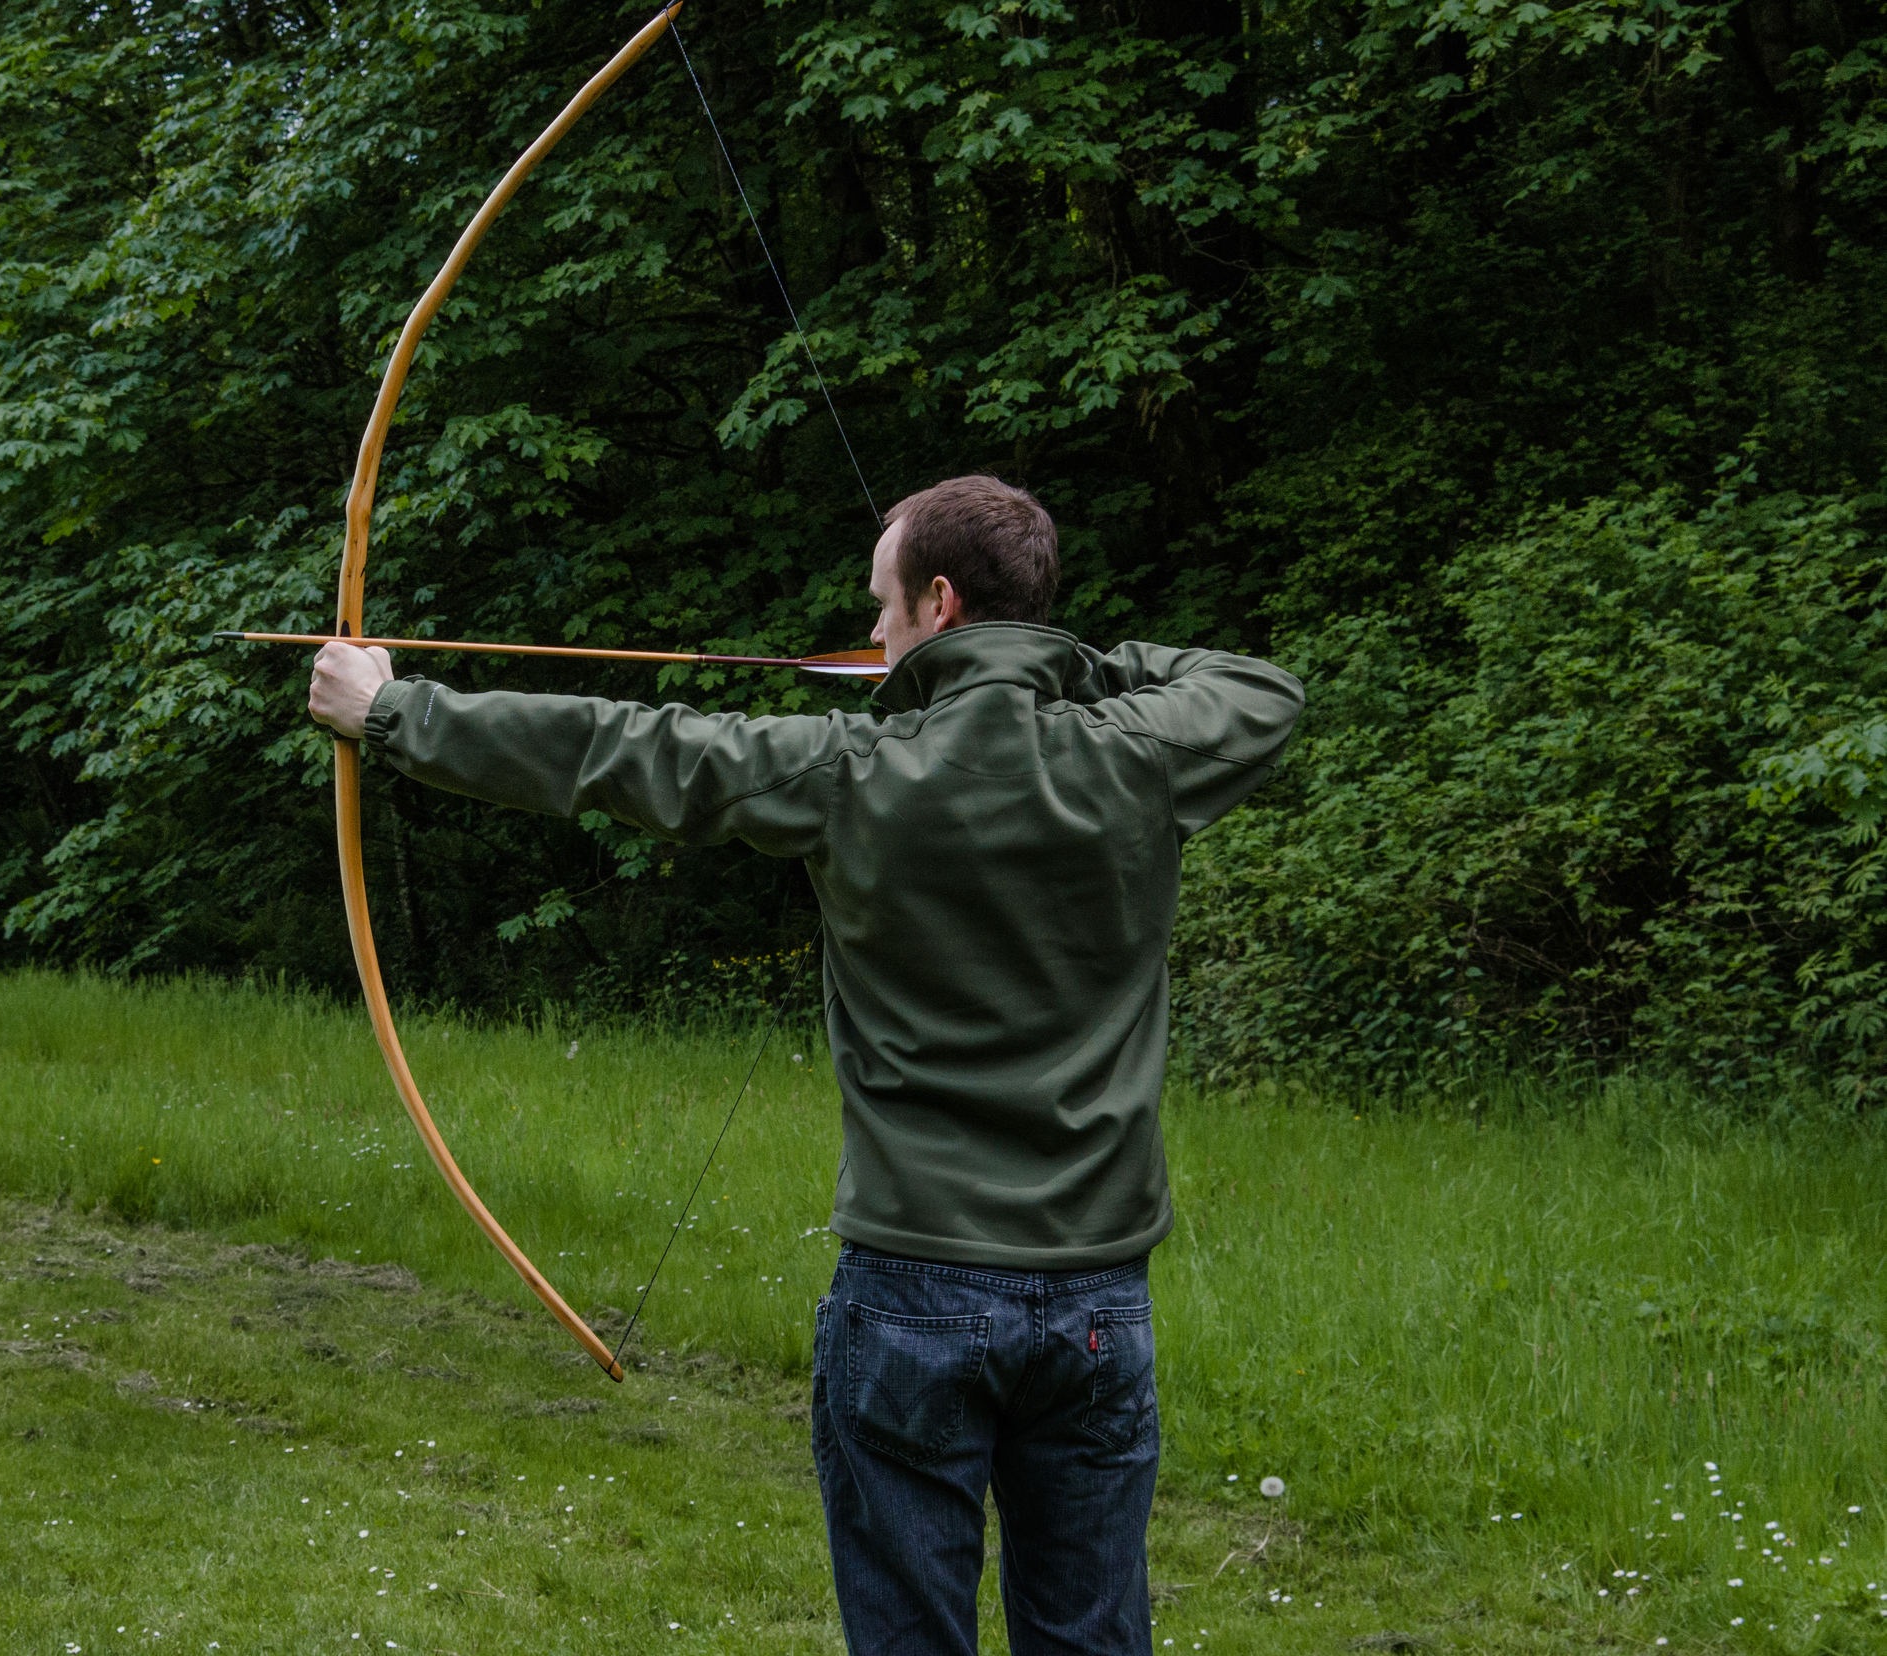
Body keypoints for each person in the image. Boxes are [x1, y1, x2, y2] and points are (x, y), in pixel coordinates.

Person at [306, 474, 1305, 1656]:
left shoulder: (849, 773)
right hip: (1095, 1302)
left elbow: (623, 750)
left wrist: (394, 711)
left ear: (939, 601)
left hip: (916, 1288)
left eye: (883, 607)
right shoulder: (1135, 750)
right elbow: (1257, 687)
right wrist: (1054, 665)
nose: (872, 634)